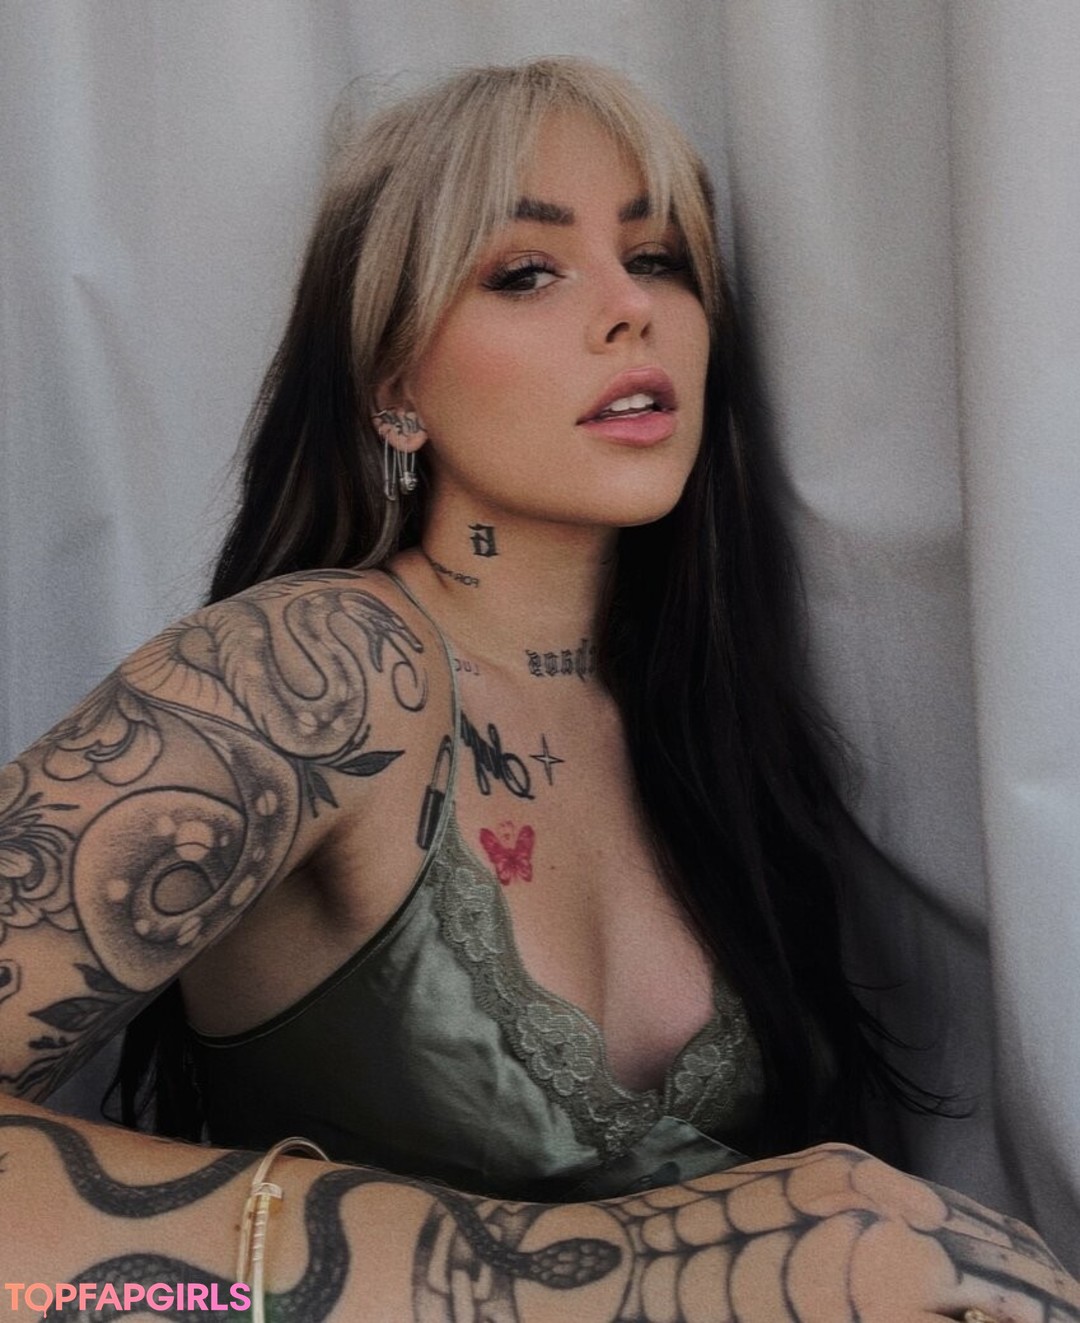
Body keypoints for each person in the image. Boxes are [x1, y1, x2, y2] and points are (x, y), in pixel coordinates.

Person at [1, 56, 1076, 1322]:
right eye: (526, 271)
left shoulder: (705, 711)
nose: (630, 311)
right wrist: (607, 1271)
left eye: (658, 259)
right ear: (394, 389)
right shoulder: (312, 673)